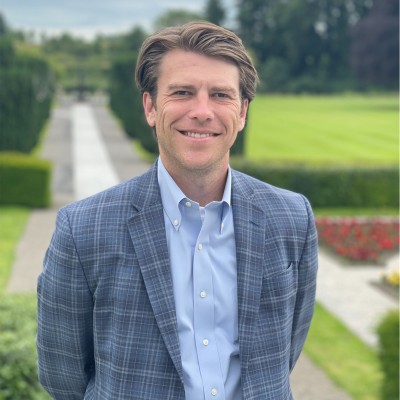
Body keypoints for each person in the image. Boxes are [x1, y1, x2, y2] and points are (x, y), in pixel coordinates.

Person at [37, 21, 318, 400]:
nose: (202, 111)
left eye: (220, 94)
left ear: (242, 112)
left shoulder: (292, 218)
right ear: (151, 107)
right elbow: (62, 375)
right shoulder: (83, 229)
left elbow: (283, 356)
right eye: (182, 92)